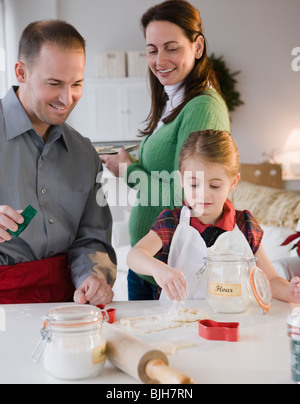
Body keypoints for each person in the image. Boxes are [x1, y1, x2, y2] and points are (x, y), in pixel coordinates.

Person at [101, 0, 230, 300]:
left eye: (172, 48)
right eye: (152, 49)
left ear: (197, 47)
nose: (160, 59)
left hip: (172, 274)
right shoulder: (174, 102)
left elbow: (188, 195)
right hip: (150, 269)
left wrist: (129, 172)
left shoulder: (203, 106)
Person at [0, 20, 117, 305]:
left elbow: (93, 236)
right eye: (54, 84)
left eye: (76, 84)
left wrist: (93, 275)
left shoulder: (85, 154)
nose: (67, 98)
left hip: (67, 307)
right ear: (21, 72)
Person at [127, 130, 300, 303]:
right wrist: (158, 269)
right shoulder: (172, 222)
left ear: (233, 182)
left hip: (231, 321)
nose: (204, 194)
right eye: (194, 184)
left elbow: (270, 279)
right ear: (180, 180)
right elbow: (134, 255)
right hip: (180, 323)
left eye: (215, 186)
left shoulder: (245, 225)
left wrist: (289, 291)